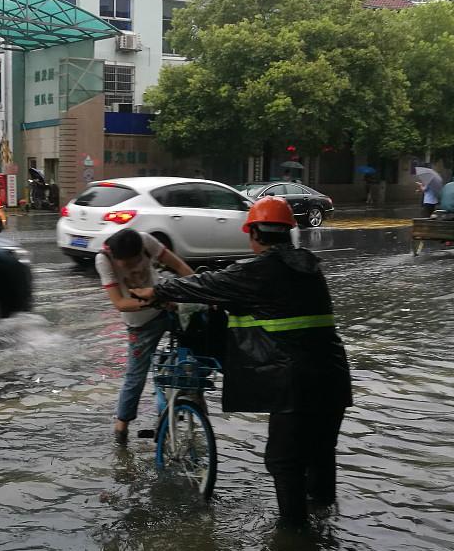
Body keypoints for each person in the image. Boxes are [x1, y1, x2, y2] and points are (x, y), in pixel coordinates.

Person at [131, 197, 352, 529]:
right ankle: (324, 523)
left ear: (255, 235)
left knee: (283, 462)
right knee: (321, 452)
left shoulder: (260, 270)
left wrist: (158, 291)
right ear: (288, 233)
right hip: (333, 377)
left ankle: (294, 539)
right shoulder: (308, 266)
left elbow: (207, 284)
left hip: (295, 385)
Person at [96, 228, 193, 443]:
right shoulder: (103, 260)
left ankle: (196, 412)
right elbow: (120, 303)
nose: (134, 266)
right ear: (114, 255)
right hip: (140, 323)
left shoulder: (146, 241)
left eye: (137, 260)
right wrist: (157, 300)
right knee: (135, 377)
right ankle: (121, 429)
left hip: (170, 308)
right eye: (127, 264)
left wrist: (199, 288)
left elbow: (178, 266)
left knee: (193, 361)